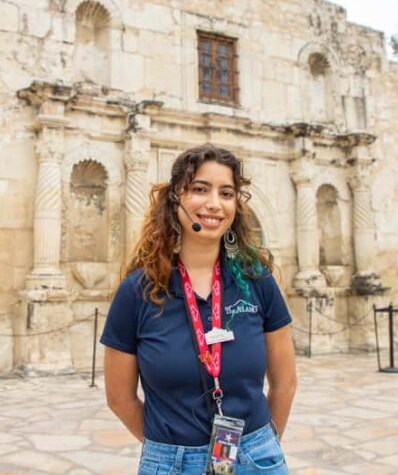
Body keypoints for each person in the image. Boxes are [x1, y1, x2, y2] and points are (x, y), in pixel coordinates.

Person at [102, 144, 297, 474]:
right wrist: (167, 451)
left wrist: (264, 445)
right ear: (176, 197)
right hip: (171, 464)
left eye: (226, 193)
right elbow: (120, 398)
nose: (214, 204)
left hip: (255, 458)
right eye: (199, 189)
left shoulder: (257, 282)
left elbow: (285, 382)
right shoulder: (137, 291)